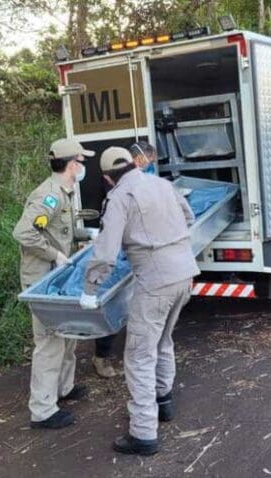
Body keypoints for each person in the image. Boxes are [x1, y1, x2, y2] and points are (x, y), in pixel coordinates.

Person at [79, 143, 198, 455]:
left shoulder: (119, 197)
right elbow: (189, 217)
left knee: (138, 355)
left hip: (155, 280)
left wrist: (90, 290)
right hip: (184, 273)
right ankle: (164, 401)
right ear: (134, 164)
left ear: (107, 178)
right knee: (163, 341)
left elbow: (105, 252)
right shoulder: (162, 183)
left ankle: (144, 433)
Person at [13, 138, 95, 430]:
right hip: (42, 278)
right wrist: (55, 255)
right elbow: (24, 233)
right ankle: (43, 410)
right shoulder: (49, 196)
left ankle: (64, 387)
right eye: (82, 161)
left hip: (57, 275)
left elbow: (62, 230)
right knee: (49, 341)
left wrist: (88, 236)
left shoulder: (65, 192)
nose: (84, 166)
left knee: (68, 332)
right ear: (72, 164)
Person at [90, 142, 159, 379]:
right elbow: (109, 236)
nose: (149, 165)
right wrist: (92, 284)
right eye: (148, 160)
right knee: (114, 302)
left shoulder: (145, 183)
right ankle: (102, 356)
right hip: (118, 249)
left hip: (136, 251)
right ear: (138, 159)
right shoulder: (115, 188)